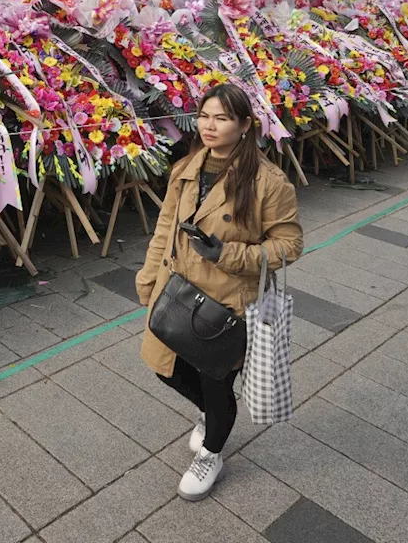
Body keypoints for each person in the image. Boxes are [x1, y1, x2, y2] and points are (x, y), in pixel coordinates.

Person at [135, 83, 303, 501]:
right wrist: (149, 275)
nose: (210, 126)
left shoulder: (268, 181)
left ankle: (212, 451)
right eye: (205, 116)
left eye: (222, 118)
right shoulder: (187, 168)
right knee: (164, 366)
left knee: (216, 383)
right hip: (177, 290)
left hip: (228, 302)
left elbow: (289, 244)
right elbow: (165, 229)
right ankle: (210, 416)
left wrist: (228, 253)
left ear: (245, 125)